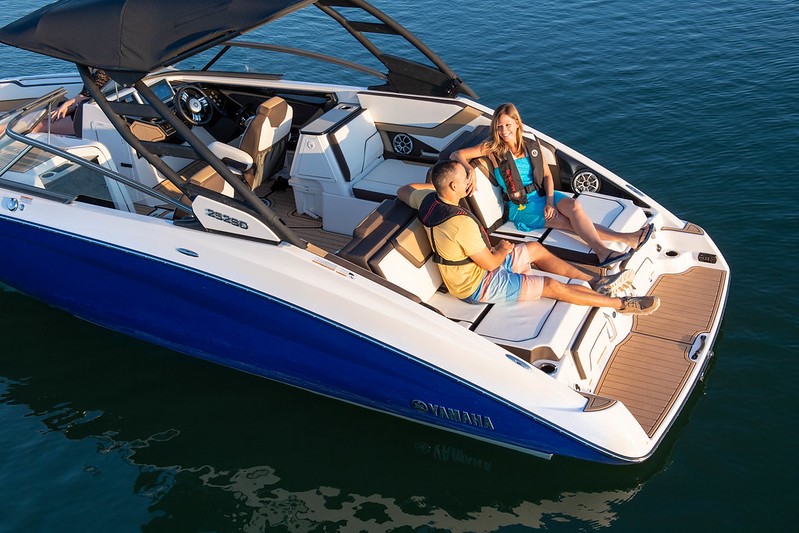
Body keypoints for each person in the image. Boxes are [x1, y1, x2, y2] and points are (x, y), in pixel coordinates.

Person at [397, 160, 660, 314]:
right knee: (551, 286)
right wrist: (502, 248)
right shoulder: (459, 223)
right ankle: (621, 304)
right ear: (453, 186)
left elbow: (403, 190)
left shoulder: (428, 200)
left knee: (534, 249)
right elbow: (490, 264)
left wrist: (439, 187)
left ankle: (598, 280)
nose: (470, 180)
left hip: (476, 267)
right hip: (475, 285)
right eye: (466, 178)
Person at [450, 103, 654, 267]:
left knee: (574, 208)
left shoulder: (531, 144)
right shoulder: (492, 148)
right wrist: (469, 169)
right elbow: (457, 154)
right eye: (499, 126)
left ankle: (628, 239)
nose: (503, 130)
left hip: (542, 195)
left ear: (517, 124)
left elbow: (547, 175)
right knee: (565, 222)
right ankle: (605, 251)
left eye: (508, 125)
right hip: (522, 207)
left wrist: (549, 201)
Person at [32, 68, 111, 136]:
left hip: (86, 118)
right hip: (83, 110)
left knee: (38, 125)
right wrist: (68, 108)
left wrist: (67, 104)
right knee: (40, 117)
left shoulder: (102, 73)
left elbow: (88, 94)